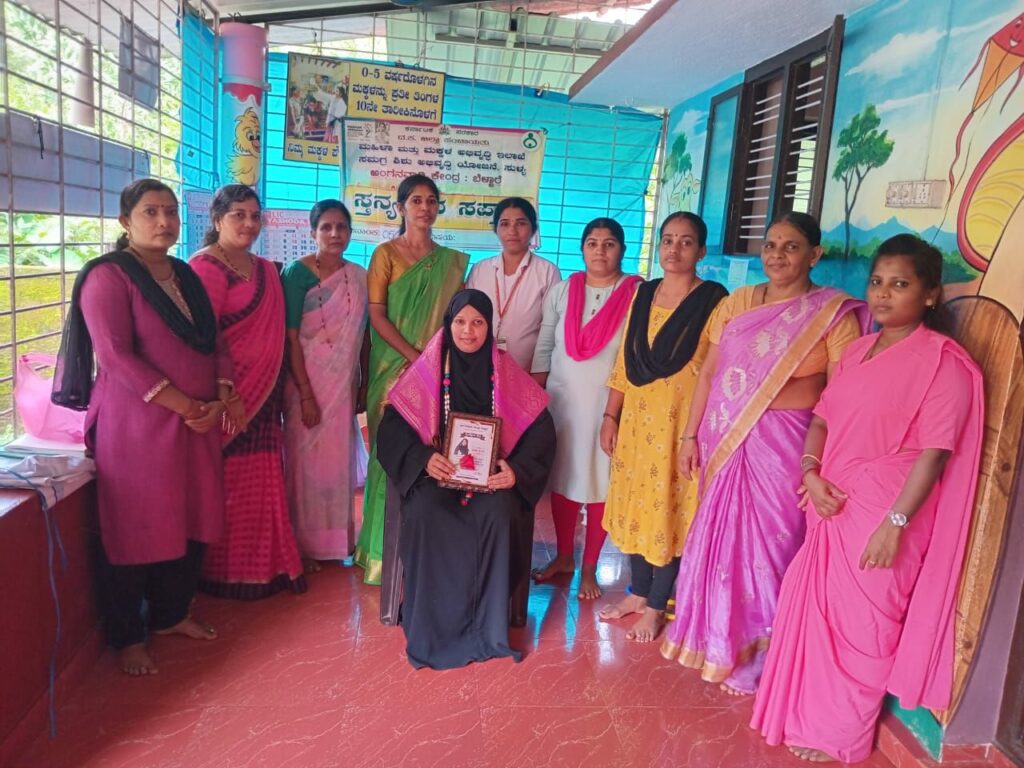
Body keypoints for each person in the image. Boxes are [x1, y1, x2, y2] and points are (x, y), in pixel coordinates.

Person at [751, 235, 984, 764]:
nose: (882, 294)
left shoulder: (943, 363)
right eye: (877, 282)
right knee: (818, 617)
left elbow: (935, 454)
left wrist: (894, 524)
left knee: (866, 625)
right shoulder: (856, 352)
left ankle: (841, 735)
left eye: (900, 284)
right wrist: (810, 473)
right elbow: (822, 420)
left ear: (930, 294)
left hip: (888, 513)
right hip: (831, 503)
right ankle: (804, 716)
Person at [661, 211, 870, 695]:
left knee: (775, 548)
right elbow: (710, 374)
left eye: (791, 246)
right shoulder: (737, 303)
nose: (777, 255)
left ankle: (768, 659)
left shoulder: (832, 314)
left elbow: (839, 392)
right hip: (725, 438)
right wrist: (690, 436)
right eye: (771, 245)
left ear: (814, 255)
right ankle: (721, 645)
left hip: (786, 447)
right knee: (721, 545)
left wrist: (789, 401)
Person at [52, 179, 236, 675]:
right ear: (124, 221)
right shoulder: (107, 277)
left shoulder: (185, 274)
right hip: (136, 427)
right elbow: (116, 357)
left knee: (192, 516)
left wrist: (219, 398)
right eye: (151, 212)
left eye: (171, 212)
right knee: (135, 525)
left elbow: (214, 342)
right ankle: (128, 637)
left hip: (197, 423)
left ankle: (170, 615)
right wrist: (186, 405)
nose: (164, 222)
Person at [376, 289, 555, 669]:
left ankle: (486, 625)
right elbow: (391, 429)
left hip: (490, 480)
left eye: (477, 322)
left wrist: (515, 470)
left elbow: (541, 430)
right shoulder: (427, 371)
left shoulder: (505, 373)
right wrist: (424, 459)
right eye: (460, 321)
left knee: (499, 511)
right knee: (425, 510)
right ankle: (432, 622)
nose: (468, 331)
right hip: (438, 474)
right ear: (449, 324)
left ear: (490, 327)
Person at [599, 212, 728, 641]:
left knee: (670, 510)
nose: (675, 249)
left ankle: (657, 605)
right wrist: (610, 416)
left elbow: (714, 370)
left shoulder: (714, 301)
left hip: (681, 428)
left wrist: (695, 433)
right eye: (668, 240)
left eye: (686, 242)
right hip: (637, 424)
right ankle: (638, 593)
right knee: (637, 503)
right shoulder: (644, 293)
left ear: (701, 251)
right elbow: (625, 361)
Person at [190, 184, 305, 599]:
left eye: (255, 216)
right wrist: (227, 393)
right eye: (238, 215)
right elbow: (203, 339)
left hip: (266, 391)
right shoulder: (205, 268)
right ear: (217, 219)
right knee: (231, 483)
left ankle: (269, 564)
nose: (249, 223)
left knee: (264, 476)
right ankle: (226, 571)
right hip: (226, 396)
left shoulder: (266, 270)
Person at [355, 174, 469, 584]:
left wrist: (434, 363)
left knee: (427, 455)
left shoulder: (451, 263)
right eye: (416, 200)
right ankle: (378, 552)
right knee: (389, 454)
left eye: (431, 200)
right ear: (400, 206)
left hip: (435, 372)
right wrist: (414, 357)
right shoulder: (385, 254)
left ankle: (418, 550)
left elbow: (456, 319)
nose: (424, 207)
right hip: (392, 370)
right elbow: (376, 314)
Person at [530, 218, 642, 599]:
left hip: (610, 404)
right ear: (582, 249)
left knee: (600, 481)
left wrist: (618, 410)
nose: (600, 250)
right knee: (563, 478)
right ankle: (564, 557)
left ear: (622, 250)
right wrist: (536, 396)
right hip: (563, 401)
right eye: (592, 243)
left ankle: (590, 566)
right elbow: (545, 344)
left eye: (609, 244)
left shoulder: (636, 294)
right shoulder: (562, 291)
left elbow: (634, 353)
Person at [281, 199, 369, 569]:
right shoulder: (296, 273)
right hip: (305, 384)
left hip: (342, 385)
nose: (335, 234)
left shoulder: (359, 276)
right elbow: (290, 337)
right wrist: (305, 395)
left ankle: (335, 544)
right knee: (305, 467)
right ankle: (302, 546)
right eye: (326, 227)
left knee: (335, 465)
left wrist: (362, 385)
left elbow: (365, 337)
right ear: (313, 232)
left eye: (342, 227)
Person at [466, 197, 560, 371]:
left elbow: (550, 327)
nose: (512, 231)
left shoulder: (547, 271)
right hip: (479, 365)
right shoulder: (480, 269)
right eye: (505, 224)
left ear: (533, 229)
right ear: (496, 229)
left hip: (526, 369)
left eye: (521, 223)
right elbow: (467, 317)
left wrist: (539, 370)